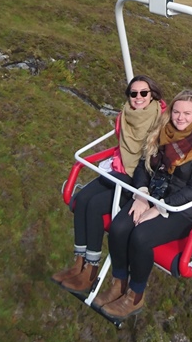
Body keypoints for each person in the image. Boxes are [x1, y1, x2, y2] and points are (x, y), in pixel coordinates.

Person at [92, 89, 192, 320]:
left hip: (186, 207)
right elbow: (144, 165)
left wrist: (160, 208)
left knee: (141, 236)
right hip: (154, 194)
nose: (180, 118)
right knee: (120, 227)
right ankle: (118, 283)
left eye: (187, 113)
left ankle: (135, 295)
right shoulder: (164, 133)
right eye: (176, 112)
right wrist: (142, 195)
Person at [52, 75, 166, 295]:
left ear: (152, 94)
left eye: (144, 93)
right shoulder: (126, 115)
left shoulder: (160, 118)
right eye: (134, 94)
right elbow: (122, 144)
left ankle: (91, 270)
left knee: (95, 206)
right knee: (82, 199)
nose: (139, 98)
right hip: (119, 169)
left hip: (139, 178)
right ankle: (79, 264)